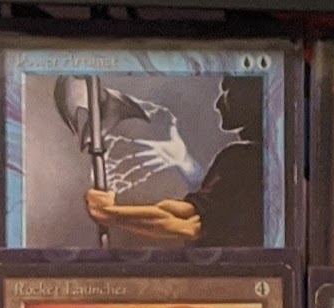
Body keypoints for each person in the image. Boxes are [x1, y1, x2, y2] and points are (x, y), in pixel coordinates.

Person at [83, 77, 266, 248]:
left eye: (227, 90)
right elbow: (185, 211)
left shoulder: (244, 159)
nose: (218, 104)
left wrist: (109, 213)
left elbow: (188, 226)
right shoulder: (254, 158)